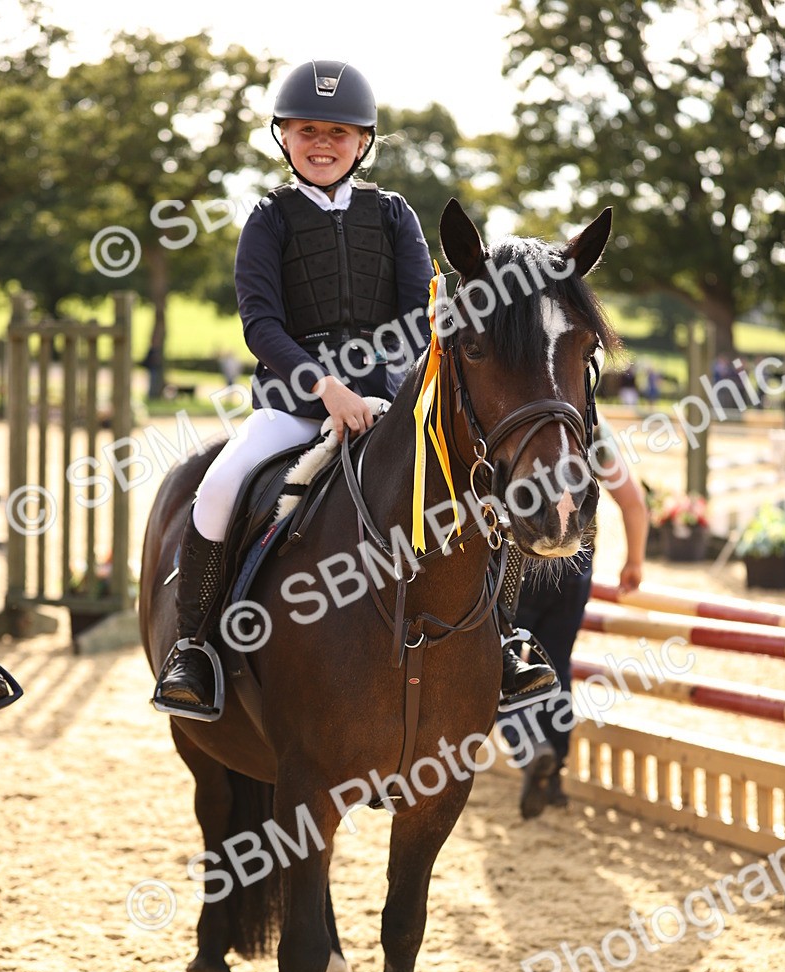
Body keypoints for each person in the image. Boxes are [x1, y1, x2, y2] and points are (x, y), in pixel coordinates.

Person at [155, 59, 550, 716]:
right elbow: (261, 325)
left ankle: (505, 641)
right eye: (307, 129)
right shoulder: (268, 219)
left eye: (338, 133)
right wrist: (329, 391)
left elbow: (416, 319)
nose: (321, 143)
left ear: (363, 141)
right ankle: (193, 649)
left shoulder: (393, 216)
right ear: (283, 135)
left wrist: (383, 394)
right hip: (291, 406)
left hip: (387, 404)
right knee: (218, 488)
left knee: (482, 493)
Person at [507, 413, 649, 815]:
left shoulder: (520, 413)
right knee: (557, 665)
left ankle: (528, 747)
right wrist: (634, 562)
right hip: (574, 566)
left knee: (501, 662)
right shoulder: (592, 428)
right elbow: (633, 503)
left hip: (520, 564)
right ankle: (555, 773)